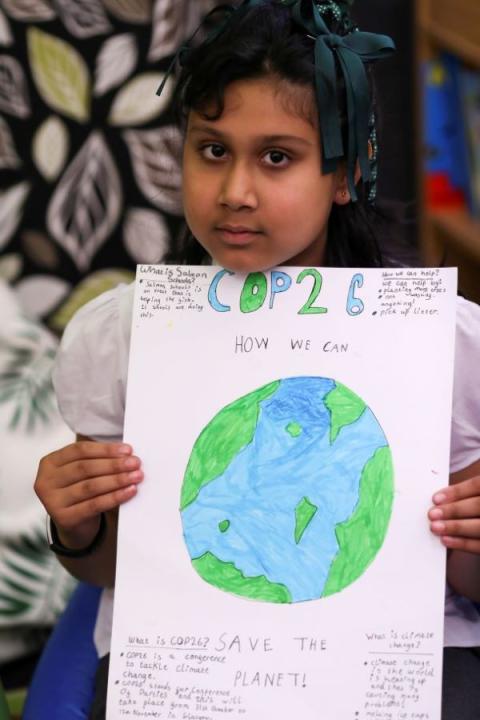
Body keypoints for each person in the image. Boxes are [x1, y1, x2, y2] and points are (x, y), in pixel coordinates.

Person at [34, 1, 480, 718]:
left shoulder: (437, 346)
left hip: (396, 658)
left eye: (278, 157)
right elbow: (115, 567)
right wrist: (76, 524)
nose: (235, 192)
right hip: (188, 656)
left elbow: (460, 575)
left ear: (344, 174)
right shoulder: (124, 338)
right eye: (212, 150)